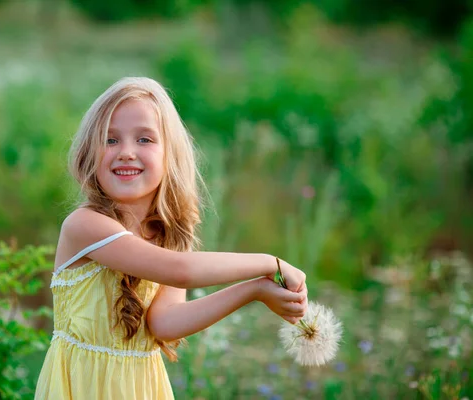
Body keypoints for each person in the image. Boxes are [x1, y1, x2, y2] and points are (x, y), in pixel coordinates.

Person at [34, 77, 308, 399]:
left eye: (145, 139)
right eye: (110, 140)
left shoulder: (169, 232)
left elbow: (165, 324)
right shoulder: (85, 225)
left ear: (170, 155)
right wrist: (267, 263)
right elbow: (181, 270)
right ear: (88, 153)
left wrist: (256, 289)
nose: (125, 152)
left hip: (142, 388)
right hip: (83, 387)